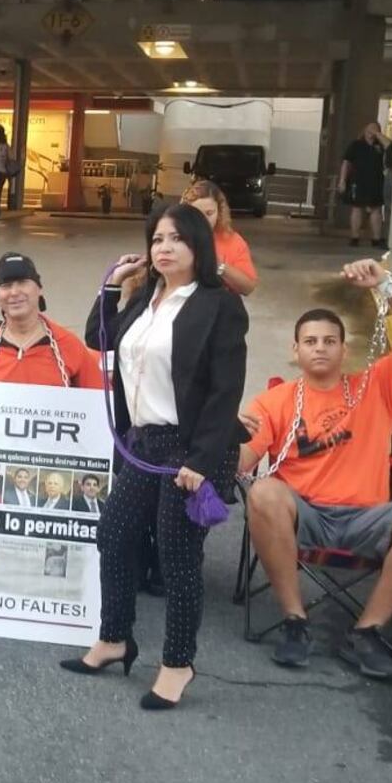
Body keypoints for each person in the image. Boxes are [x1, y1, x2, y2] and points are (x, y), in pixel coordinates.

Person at [59, 203, 248, 711]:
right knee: (114, 535)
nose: (164, 248)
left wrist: (201, 461)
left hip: (190, 449)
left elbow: (225, 391)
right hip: (143, 443)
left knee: (176, 557)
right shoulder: (146, 298)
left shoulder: (218, 305)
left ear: (198, 246)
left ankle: (178, 663)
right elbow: (100, 339)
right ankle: (114, 637)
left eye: (176, 239)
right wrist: (112, 286)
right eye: (158, 239)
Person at [237, 259, 392, 681]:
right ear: (295, 351)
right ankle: (295, 621)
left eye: (330, 341)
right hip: (304, 517)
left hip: (366, 518)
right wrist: (226, 438)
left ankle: (367, 631)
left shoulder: (378, 386)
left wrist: (386, 286)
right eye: (310, 341)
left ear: (344, 351)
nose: (320, 348)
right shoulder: (274, 402)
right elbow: (241, 463)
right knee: (263, 492)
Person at [0, 252, 102, 388]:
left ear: (39, 289)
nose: (14, 292)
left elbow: (98, 399)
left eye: (23, 282)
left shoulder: (67, 344)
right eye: (6, 286)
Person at [180, 180, 258, 296]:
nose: (204, 220)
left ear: (219, 212)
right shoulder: (175, 237)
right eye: (197, 214)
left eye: (209, 213)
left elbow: (248, 288)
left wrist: (219, 266)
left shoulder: (233, 241)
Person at [339, 122, 389, 248]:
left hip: (376, 181)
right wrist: (342, 180)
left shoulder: (380, 145)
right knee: (357, 208)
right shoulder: (356, 145)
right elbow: (346, 163)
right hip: (358, 181)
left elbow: (390, 146)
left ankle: (376, 239)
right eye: (370, 128)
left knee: (376, 209)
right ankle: (354, 237)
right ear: (365, 130)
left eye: (376, 128)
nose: (372, 130)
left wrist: (378, 135)